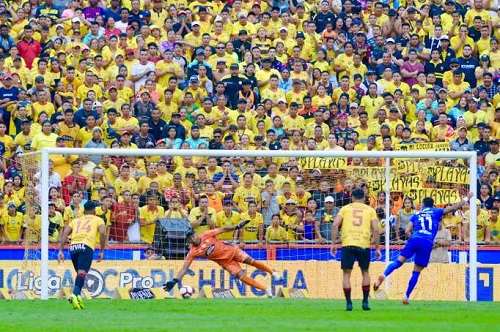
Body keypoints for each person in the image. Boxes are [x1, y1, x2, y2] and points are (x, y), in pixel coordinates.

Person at [373, 192, 473, 304]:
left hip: (415, 238)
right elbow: (454, 207)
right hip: (427, 241)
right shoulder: (436, 212)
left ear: (423, 204)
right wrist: (467, 198)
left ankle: (383, 275)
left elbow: (406, 231)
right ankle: (406, 296)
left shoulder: (416, 214)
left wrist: (412, 240)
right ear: (432, 205)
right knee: (416, 271)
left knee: (398, 262)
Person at [163, 221, 282, 297]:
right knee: (242, 277)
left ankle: (272, 273)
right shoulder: (193, 252)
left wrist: (236, 226)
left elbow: (223, 229)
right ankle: (266, 289)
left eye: (193, 236)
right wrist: (174, 280)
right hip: (225, 262)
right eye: (190, 239)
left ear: (196, 234)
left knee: (251, 261)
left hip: (233, 251)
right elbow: (184, 268)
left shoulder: (206, 234)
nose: (192, 239)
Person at [331, 188, 380, 311]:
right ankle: (365, 302)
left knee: (346, 274)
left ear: (352, 197)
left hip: (348, 243)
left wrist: (333, 243)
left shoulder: (345, 209)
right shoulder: (370, 210)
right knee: (365, 272)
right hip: (364, 244)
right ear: (364, 198)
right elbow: (375, 229)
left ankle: (349, 303)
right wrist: (377, 247)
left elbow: (335, 225)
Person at [57, 201, 105, 310]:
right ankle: (74, 295)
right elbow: (102, 232)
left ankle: (78, 297)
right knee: (82, 273)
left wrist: (61, 250)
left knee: (80, 274)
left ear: (84, 210)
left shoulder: (75, 220)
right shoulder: (98, 219)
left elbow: (64, 233)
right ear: (94, 210)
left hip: (73, 247)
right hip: (86, 245)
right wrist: (102, 251)